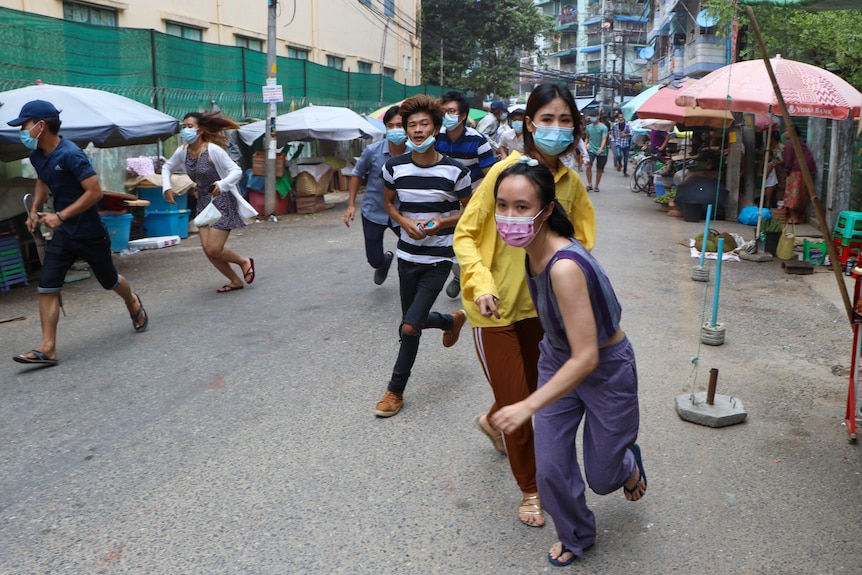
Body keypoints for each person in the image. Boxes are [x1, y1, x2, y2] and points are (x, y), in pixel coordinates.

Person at [453, 82, 596, 529]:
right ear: (529, 123)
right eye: (547, 119)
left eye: (565, 120)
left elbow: (582, 244)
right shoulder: (505, 172)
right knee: (520, 400)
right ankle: (531, 489)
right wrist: (481, 285)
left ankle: (494, 421)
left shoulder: (570, 185)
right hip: (493, 309)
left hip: (542, 311)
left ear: (575, 127)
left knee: (534, 398)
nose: (555, 128)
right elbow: (467, 233)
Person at [489, 159, 645, 567]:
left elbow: (588, 356)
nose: (509, 216)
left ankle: (628, 465)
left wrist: (528, 404)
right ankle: (577, 536)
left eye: (521, 207)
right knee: (552, 470)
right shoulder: (530, 251)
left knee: (603, 476)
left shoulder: (565, 267)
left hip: (605, 370)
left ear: (545, 210)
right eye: (502, 205)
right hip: (557, 360)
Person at [9, 100, 148, 366]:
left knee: (109, 280)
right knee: (47, 286)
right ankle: (48, 348)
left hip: (90, 232)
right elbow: (42, 179)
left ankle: (131, 300)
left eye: (24, 125)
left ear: (41, 125)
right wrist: (34, 209)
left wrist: (60, 215)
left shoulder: (71, 154)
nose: (22, 132)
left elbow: (94, 193)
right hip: (64, 235)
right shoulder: (38, 154)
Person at [374, 95, 473, 418]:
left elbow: (468, 211)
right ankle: (450, 320)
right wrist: (404, 222)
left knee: (408, 328)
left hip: (439, 258)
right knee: (410, 323)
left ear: (436, 127)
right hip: (407, 256)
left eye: (423, 124)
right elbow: (390, 205)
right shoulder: (394, 168)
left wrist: (440, 223)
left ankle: (394, 390)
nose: (417, 130)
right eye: (411, 125)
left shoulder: (455, 171)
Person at [163, 112, 255, 293]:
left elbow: (236, 171)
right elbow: (167, 166)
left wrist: (222, 184)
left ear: (201, 130)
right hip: (203, 202)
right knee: (207, 249)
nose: (186, 130)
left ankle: (243, 261)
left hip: (222, 201)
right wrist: (166, 187)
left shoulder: (213, 150)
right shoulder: (183, 151)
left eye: (190, 126)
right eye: (184, 126)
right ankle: (235, 280)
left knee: (214, 248)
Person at [436, 91, 497, 299]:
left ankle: (473, 279)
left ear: (462, 116)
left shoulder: (479, 141)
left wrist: (473, 198)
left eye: (451, 111)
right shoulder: (435, 137)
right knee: (451, 241)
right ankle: (457, 274)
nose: (446, 116)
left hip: (474, 197)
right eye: (443, 112)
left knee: (470, 240)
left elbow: (491, 176)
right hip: (447, 198)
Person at [344, 105, 406, 285]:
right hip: (374, 211)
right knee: (374, 259)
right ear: (385, 128)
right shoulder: (373, 151)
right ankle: (384, 261)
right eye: (391, 125)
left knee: (413, 250)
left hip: (402, 213)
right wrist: (351, 205)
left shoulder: (415, 153)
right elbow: (357, 174)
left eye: (400, 125)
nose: (396, 129)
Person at [783, 129, 817, 225]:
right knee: (801, 194)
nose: (785, 133)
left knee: (793, 194)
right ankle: (796, 216)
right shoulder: (800, 142)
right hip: (807, 170)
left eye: (787, 131)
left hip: (797, 170)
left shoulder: (790, 143)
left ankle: (794, 217)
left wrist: (787, 170)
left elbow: (788, 159)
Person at [583, 113, 608, 193]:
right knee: (588, 165)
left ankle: (596, 186)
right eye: (591, 117)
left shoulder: (603, 127)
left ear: (598, 117)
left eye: (594, 117)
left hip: (602, 151)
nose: (592, 119)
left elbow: (604, 138)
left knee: (599, 169)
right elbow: (587, 137)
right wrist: (585, 145)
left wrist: (601, 148)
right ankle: (590, 184)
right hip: (591, 149)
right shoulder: (588, 127)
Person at [760, 131, 782, 209]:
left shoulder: (781, 148)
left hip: (778, 176)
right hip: (773, 177)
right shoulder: (770, 148)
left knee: (770, 199)